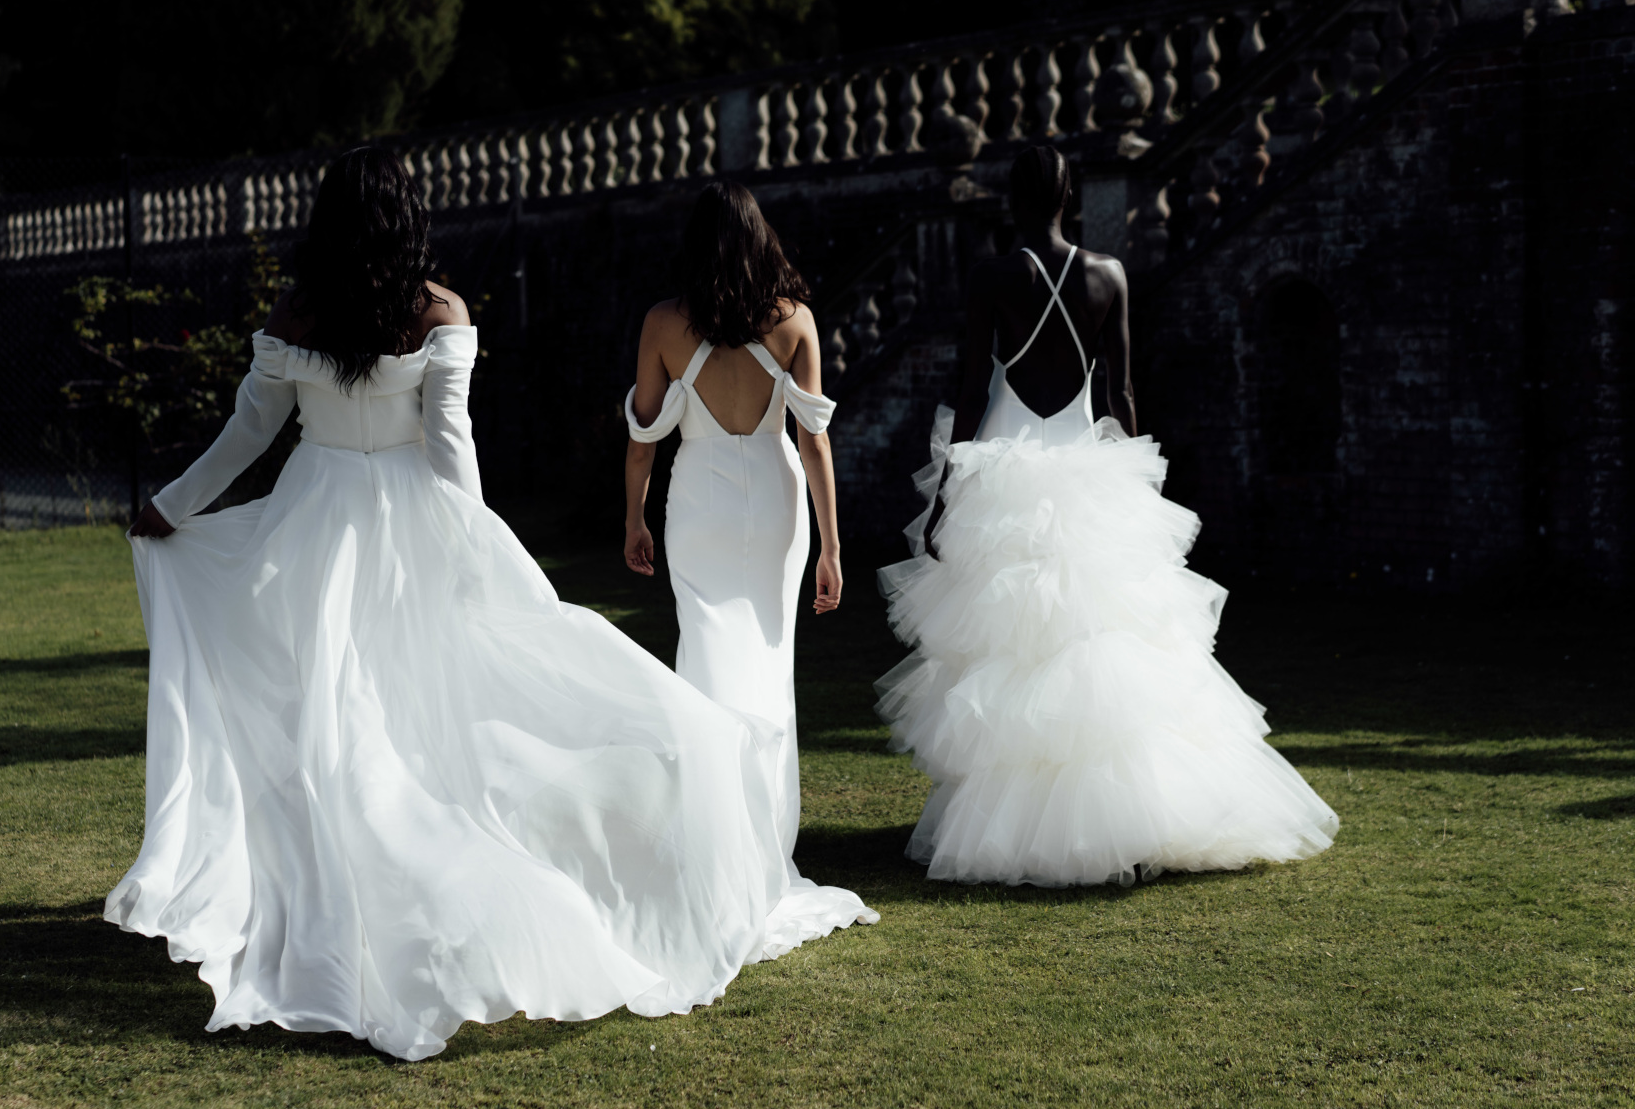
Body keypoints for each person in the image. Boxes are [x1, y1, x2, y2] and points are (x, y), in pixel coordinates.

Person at [113, 148, 874, 1062]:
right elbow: (450, 451)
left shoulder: (298, 311)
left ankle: (332, 906)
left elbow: (250, 434)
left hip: (311, 527)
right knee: (405, 720)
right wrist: (478, 555)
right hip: (408, 528)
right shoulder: (439, 312)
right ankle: (379, 902)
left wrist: (173, 506)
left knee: (332, 716)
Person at [875, 146, 1339, 886]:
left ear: (1013, 199)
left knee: (1013, 653)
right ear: (1070, 198)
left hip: (1008, 470)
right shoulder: (1110, 275)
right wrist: (1132, 488)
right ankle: (1130, 817)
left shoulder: (994, 275)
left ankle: (1018, 826)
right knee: (1111, 649)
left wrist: (944, 494)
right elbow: (1121, 395)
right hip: (1089, 467)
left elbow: (969, 390)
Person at [622, 180, 856, 917]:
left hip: (698, 502)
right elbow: (814, 442)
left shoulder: (663, 322)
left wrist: (635, 518)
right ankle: (763, 840)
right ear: (762, 242)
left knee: (706, 656)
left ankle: (711, 832)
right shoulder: (794, 324)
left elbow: (642, 443)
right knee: (767, 657)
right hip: (776, 497)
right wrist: (830, 546)